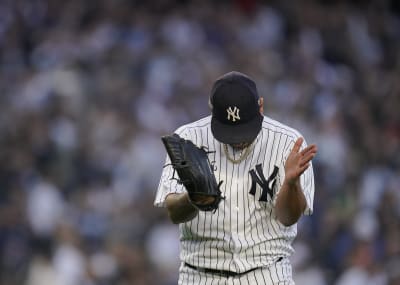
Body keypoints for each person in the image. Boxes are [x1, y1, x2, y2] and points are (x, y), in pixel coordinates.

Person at [154, 71, 317, 284]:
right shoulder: (187, 139)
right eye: (230, 131)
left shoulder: (289, 143)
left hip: (267, 274)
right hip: (201, 275)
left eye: (244, 130)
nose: (238, 140)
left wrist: (291, 183)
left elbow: (288, 217)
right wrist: (192, 198)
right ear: (212, 109)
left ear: (261, 106)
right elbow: (174, 214)